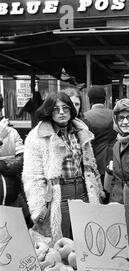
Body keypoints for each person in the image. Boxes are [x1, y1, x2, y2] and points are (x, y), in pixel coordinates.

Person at [22, 92, 104, 244]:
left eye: (65, 108)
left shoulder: (81, 131)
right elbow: (32, 176)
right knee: (62, 243)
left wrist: (97, 190)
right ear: (48, 111)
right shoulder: (37, 137)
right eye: (56, 109)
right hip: (58, 195)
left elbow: (91, 165)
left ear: (71, 110)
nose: (61, 112)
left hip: (83, 191)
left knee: (87, 239)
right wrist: (38, 208)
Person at [83, 86, 117, 202]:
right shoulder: (114, 115)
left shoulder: (86, 117)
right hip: (113, 160)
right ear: (105, 99)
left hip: (95, 160)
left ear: (89, 99)